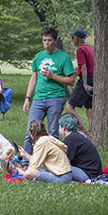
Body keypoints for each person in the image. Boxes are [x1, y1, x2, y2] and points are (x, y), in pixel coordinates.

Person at [22, 27, 76, 155]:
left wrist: (52, 76)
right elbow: (33, 78)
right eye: (44, 40)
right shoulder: (38, 56)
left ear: (55, 40)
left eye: (49, 40)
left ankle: (53, 161)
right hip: (38, 99)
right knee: (31, 131)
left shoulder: (64, 58)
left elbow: (71, 80)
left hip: (55, 98)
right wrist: (27, 97)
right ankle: (26, 161)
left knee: (53, 133)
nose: (46, 43)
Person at [12, 120, 87, 184]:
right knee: (36, 170)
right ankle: (15, 169)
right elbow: (37, 161)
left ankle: (16, 170)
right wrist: (25, 154)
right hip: (66, 174)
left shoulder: (41, 142)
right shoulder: (48, 139)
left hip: (61, 178)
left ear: (31, 133)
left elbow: (33, 167)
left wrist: (23, 171)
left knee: (28, 173)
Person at [65, 29, 95, 138]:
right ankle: (93, 132)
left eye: (73, 37)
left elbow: (83, 66)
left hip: (85, 79)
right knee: (90, 109)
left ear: (77, 38)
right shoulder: (90, 49)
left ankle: (85, 132)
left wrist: (84, 84)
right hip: (93, 79)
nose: (72, 39)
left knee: (69, 107)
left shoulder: (80, 50)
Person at [60, 114, 102, 180]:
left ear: (64, 128)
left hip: (87, 174)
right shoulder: (75, 136)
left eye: (59, 127)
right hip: (94, 172)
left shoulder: (70, 139)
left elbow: (65, 162)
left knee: (59, 168)